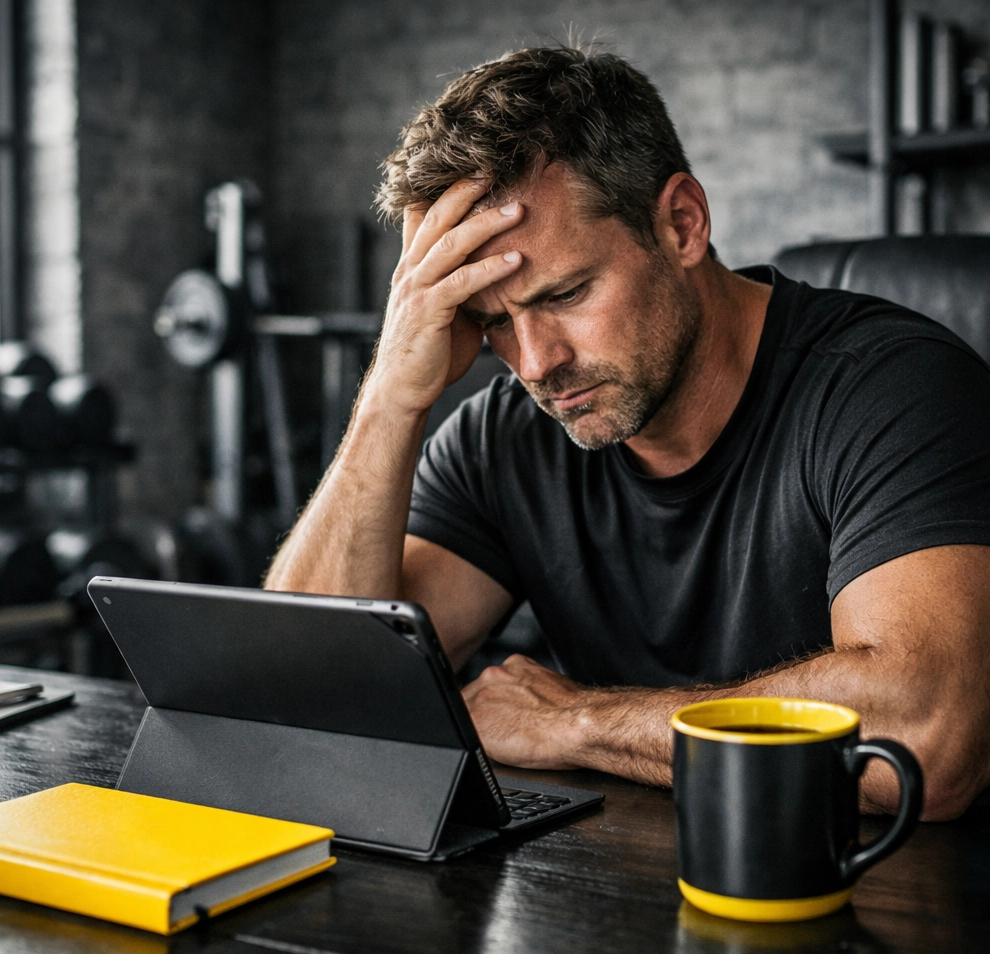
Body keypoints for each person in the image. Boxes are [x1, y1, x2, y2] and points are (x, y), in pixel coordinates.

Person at [266, 46, 990, 819]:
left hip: (871, 906)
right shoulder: (504, 435)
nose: (536, 364)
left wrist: (579, 723)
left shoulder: (889, 387)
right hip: (617, 905)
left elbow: (928, 738)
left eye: (569, 293)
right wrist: (389, 397)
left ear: (681, 223)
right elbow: (307, 695)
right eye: (490, 323)